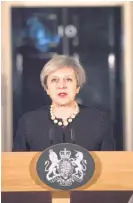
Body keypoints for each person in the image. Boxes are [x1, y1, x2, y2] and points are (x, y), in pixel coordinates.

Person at [13, 55, 116, 151]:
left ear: (77, 87)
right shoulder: (28, 122)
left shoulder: (99, 122)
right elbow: (16, 166)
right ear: (47, 88)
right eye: (54, 80)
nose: (61, 85)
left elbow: (110, 166)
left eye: (68, 79)